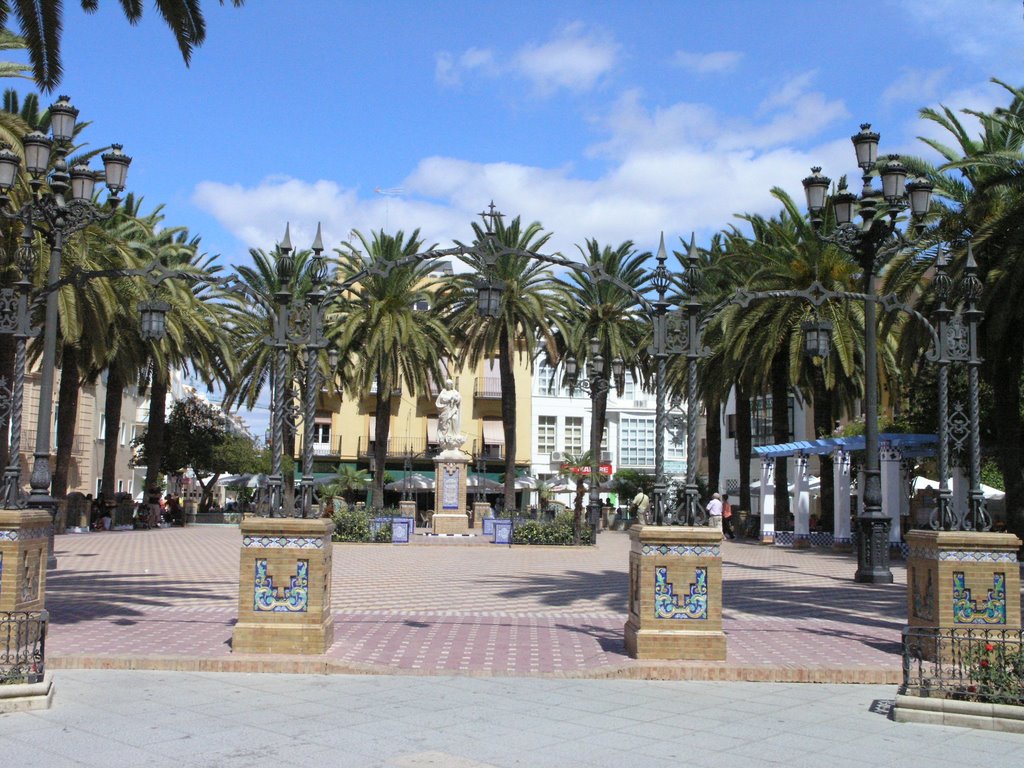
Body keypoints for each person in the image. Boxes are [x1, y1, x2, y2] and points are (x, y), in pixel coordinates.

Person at [435, 378, 463, 449]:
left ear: (451, 385)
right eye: (447, 384)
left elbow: (459, 398)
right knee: (445, 422)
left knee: (454, 419)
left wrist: (455, 399)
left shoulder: (455, 392)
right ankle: (445, 435)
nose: (448, 385)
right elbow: (441, 398)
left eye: (449, 384)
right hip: (445, 410)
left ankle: (455, 435)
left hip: (453, 410)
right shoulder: (443, 391)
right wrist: (449, 398)